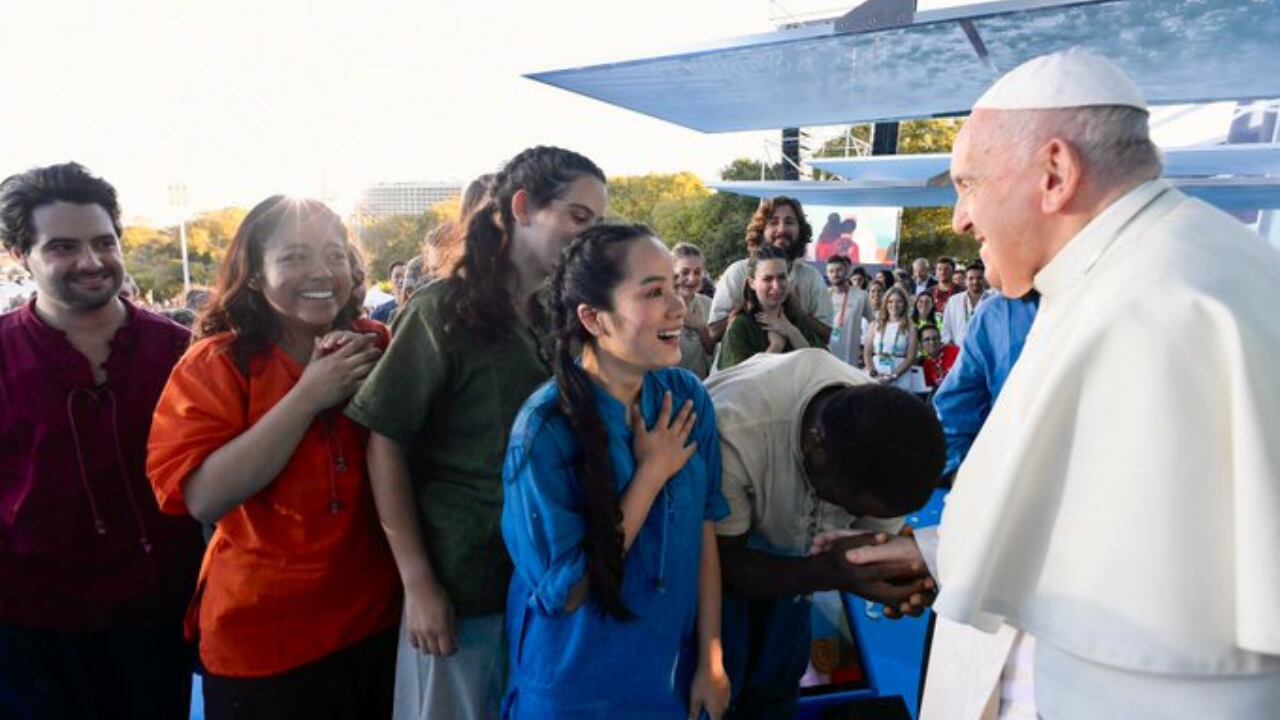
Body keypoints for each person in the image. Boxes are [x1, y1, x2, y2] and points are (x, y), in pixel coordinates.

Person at [850, 49, 1280, 719]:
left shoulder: (1157, 303)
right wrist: (937, 555)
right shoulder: (1123, 275)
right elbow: (1098, 523)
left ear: (1055, 173)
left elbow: (1149, 599)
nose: (961, 218)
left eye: (967, 182)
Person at [344, 146, 607, 720]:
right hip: (461, 583)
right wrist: (418, 583)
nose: (588, 236)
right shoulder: (443, 309)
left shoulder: (552, 317)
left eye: (597, 224)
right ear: (522, 207)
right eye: (577, 217)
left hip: (540, 579)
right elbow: (384, 442)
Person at [146, 196, 401, 719]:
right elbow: (203, 496)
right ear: (256, 276)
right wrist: (309, 395)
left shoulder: (375, 341)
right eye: (295, 257)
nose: (321, 272)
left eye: (335, 255)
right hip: (262, 639)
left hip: (376, 620)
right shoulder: (218, 362)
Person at [0, 162, 204, 719]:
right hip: (30, 627)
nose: (91, 262)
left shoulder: (184, 353)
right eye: (63, 247)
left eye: (104, 242)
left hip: (157, 616)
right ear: (23, 256)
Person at [501, 224, 730, 719]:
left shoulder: (687, 397)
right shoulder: (543, 430)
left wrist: (711, 656)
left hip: (667, 678)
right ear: (593, 318)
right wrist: (650, 474)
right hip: (576, 689)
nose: (678, 307)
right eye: (653, 292)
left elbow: (704, 528)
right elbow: (569, 592)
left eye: (675, 286)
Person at [707, 348, 945, 719]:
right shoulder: (734, 428)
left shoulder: (885, 436)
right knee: (719, 688)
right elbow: (722, 563)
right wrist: (829, 573)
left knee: (778, 686)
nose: (858, 521)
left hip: (791, 575)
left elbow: (872, 544)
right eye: (853, 508)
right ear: (816, 449)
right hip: (713, 576)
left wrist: (904, 578)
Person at [708, 197, 833, 345]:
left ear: (800, 230)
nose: (781, 229)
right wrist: (750, 309)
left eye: (789, 222)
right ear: (761, 230)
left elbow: (828, 336)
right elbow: (713, 334)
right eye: (773, 222)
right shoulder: (738, 272)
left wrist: (797, 314)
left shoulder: (811, 277)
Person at [717, 246, 825, 371]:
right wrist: (775, 347)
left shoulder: (797, 320)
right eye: (767, 279)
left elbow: (820, 366)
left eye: (781, 277)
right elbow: (738, 381)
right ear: (752, 283)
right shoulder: (740, 326)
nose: (776, 286)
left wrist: (792, 333)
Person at [864, 285, 919, 391]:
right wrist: (872, 372)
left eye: (899, 301)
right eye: (890, 301)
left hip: (900, 375)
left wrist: (892, 376)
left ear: (904, 304)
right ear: (885, 303)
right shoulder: (875, 325)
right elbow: (867, 353)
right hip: (876, 373)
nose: (894, 305)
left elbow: (911, 357)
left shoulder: (911, 327)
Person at [672, 242, 715, 379]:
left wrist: (701, 327)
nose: (692, 278)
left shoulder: (708, 304)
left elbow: (713, 350)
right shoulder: (660, 306)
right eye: (684, 272)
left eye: (697, 272)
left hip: (702, 385)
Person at [824, 254, 873, 367]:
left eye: (839, 270)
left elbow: (873, 324)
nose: (835, 274)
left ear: (846, 271)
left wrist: (866, 349)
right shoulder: (823, 295)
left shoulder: (861, 295)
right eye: (831, 271)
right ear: (827, 274)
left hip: (850, 357)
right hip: (827, 355)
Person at [939, 261, 992, 345]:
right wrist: (954, 350)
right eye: (971, 278)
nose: (975, 281)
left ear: (984, 279)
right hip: (959, 352)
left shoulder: (992, 300)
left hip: (986, 351)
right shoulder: (954, 301)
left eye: (979, 278)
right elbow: (946, 329)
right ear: (965, 280)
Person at [917, 325, 958, 393]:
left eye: (935, 338)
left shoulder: (955, 352)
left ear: (940, 339)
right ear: (921, 344)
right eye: (927, 339)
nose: (932, 342)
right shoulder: (927, 366)